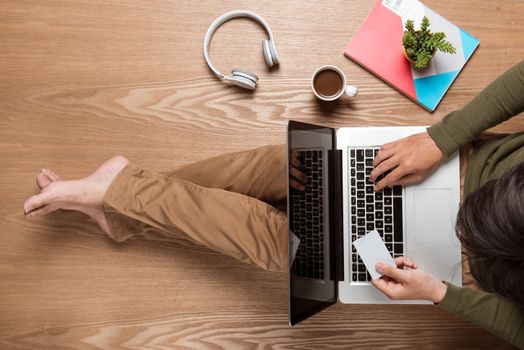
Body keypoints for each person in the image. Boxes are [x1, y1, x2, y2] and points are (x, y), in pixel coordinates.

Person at [23, 60, 524, 348]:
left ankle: (119, 197)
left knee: (286, 243)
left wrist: (440, 294)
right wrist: (442, 138)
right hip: (455, 161)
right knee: (288, 168)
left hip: (454, 271)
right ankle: (120, 201)